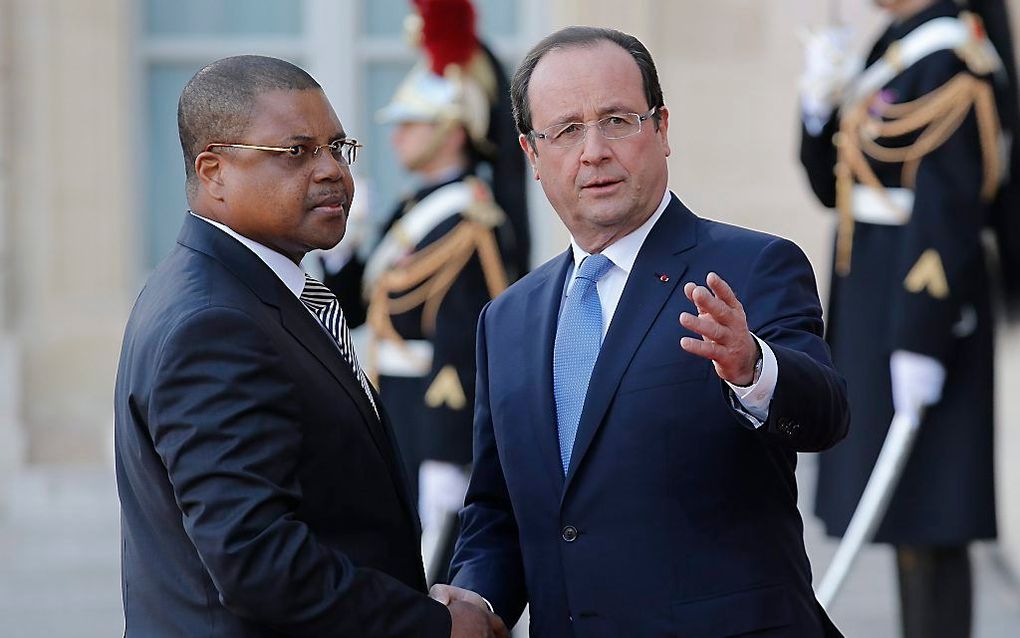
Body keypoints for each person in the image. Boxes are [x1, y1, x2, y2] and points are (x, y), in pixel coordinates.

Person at [430, 27, 850, 637]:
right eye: (567, 130)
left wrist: (755, 370)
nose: (594, 150)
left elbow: (825, 414)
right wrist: (478, 602)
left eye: (618, 120)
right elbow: (500, 509)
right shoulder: (507, 319)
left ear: (662, 129)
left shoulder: (750, 268)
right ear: (530, 153)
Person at [113, 55, 505, 638]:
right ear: (213, 170)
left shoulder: (252, 287)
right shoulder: (214, 321)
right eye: (297, 152)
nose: (333, 173)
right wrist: (436, 627)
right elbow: (257, 562)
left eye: (338, 148)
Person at [798, 1, 1019, 635]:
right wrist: (818, 104)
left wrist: (921, 334)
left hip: (922, 305)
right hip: (874, 301)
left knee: (930, 514)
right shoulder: (895, 45)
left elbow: (948, 204)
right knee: (904, 514)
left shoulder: (952, 55)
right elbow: (831, 184)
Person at [319, 0, 526, 584]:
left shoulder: (471, 223)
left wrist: (447, 449)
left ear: (451, 128)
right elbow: (355, 308)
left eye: (410, 123)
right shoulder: (412, 209)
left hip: (432, 419)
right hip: (392, 409)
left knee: (435, 576)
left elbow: (468, 344)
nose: (397, 136)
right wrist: (344, 246)